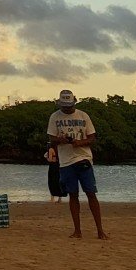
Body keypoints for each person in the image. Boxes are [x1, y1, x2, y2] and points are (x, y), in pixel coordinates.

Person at [47, 89, 107, 240]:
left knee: (91, 193)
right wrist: (63, 140)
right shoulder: (55, 117)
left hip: (83, 158)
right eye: (64, 106)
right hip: (66, 161)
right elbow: (51, 137)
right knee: (73, 195)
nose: (67, 109)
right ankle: (77, 231)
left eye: (69, 106)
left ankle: (100, 230)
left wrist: (79, 142)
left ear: (74, 102)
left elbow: (92, 137)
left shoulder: (83, 115)